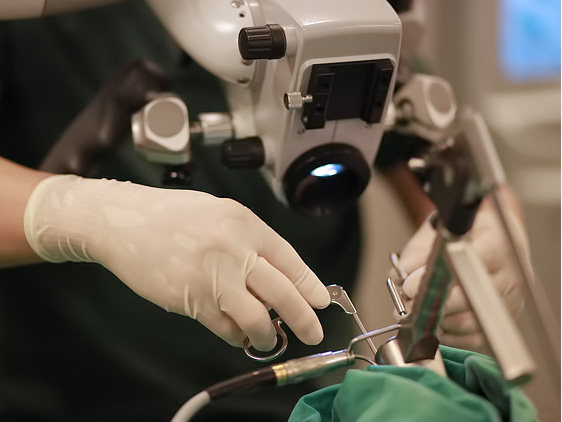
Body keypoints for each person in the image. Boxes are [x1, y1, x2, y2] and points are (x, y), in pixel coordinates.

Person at [0, 1, 531, 421]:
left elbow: (436, 147)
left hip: (307, 394)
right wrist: (80, 216)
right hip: (68, 392)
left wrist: (484, 234)